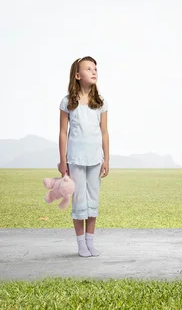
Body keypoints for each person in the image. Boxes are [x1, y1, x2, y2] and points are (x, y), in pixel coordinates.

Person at [58, 56, 110, 257]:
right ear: (78, 75)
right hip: (76, 159)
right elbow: (63, 132)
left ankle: (90, 241)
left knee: (93, 199)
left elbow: (104, 132)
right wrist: (63, 161)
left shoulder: (101, 103)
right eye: (89, 69)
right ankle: (81, 244)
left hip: (95, 159)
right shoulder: (67, 102)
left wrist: (107, 159)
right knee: (79, 200)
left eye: (95, 68)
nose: (94, 71)